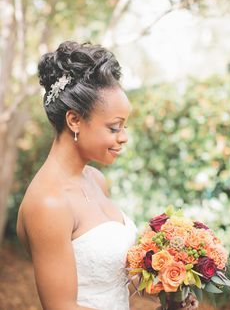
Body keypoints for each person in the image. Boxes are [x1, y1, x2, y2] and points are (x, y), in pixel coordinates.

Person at [16, 41, 198, 310]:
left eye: (124, 126)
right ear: (74, 120)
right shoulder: (49, 204)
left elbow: (113, 277)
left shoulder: (96, 179)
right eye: (114, 128)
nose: (123, 138)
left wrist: (169, 294)